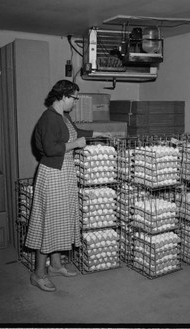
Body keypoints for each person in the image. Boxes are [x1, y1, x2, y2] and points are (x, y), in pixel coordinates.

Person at [25, 80, 111, 291]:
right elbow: (50, 148)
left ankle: (55, 265)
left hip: (64, 173)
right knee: (49, 223)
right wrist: (75, 144)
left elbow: (76, 131)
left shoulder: (63, 116)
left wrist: (96, 135)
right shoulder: (48, 118)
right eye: (73, 98)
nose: (75, 102)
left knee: (60, 219)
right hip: (52, 173)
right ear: (62, 96)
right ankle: (38, 274)